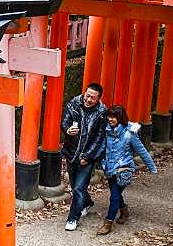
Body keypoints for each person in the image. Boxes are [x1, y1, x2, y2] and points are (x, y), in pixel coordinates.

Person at [97, 104, 157, 236]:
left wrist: (152, 167)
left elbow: (142, 151)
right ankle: (124, 210)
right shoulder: (107, 130)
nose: (110, 119)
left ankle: (108, 223)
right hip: (109, 168)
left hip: (124, 169)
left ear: (120, 117)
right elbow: (101, 148)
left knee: (114, 196)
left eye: (113, 117)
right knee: (116, 194)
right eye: (109, 116)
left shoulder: (130, 133)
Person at [60, 82, 107, 231]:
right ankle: (87, 203)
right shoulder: (73, 104)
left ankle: (73, 218)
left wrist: (88, 156)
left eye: (93, 98)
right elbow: (64, 121)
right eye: (87, 96)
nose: (89, 100)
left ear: (98, 99)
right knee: (75, 185)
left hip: (87, 156)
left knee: (79, 188)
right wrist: (67, 130)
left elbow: (99, 138)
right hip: (71, 152)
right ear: (84, 93)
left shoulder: (101, 112)